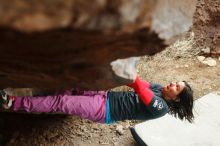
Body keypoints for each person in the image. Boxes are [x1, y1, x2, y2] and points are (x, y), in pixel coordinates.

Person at [0, 75, 194, 124]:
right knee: (67, 90)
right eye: (176, 82)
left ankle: (13, 103)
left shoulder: (161, 108)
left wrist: (130, 75)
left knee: (62, 103)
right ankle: (29, 95)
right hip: (105, 95)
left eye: (177, 87)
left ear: (177, 100)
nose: (172, 83)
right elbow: (135, 81)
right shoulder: (159, 88)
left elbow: (137, 86)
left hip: (104, 110)